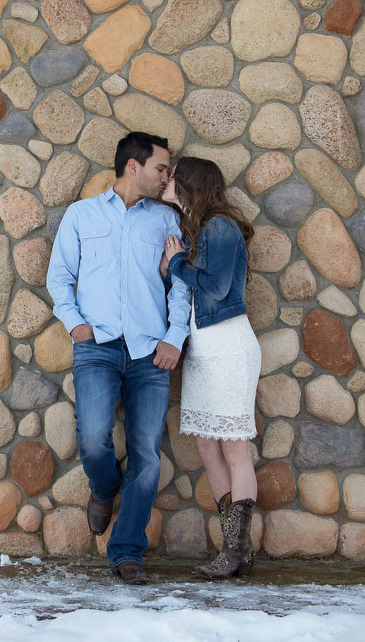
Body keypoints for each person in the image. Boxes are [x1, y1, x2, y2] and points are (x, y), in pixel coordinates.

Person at [47, 132, 190, 585]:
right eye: (161, 168)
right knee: (92, 438)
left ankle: (127, 551)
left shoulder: (167, 220)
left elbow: (181, 284)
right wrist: (75, 324)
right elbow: (59, 277)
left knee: (147, 454)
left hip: (151, 353)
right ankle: (105, 488)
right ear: (134, 166)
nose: (167, 177)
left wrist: (175, 337)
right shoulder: (81, 214)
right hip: (98, 346)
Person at [159, 157, 260, 580]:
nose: (165, 180)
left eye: (172, 175)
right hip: (205, 347)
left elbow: (217, 286)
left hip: (229, 346)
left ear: (188, 185)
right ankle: (236, 549)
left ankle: (234, 551)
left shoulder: (219, 226)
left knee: (234, 446)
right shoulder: (198, 228)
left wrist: (176, 265)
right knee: (205, 444)